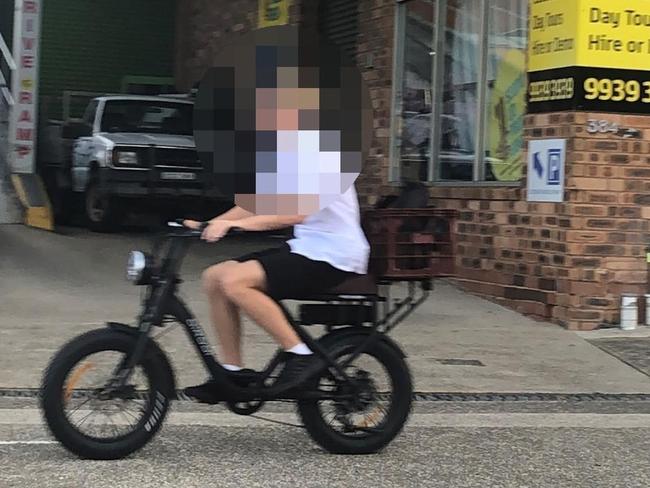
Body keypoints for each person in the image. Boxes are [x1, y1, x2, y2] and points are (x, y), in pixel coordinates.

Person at [182, 184, 370, 403]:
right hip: (306, 248)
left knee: (234, 281)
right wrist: (212, 223)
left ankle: (299, 354)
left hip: (336, 255)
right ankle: (231, 372)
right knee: (214, 277)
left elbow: (295, 214)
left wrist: (235, 224)